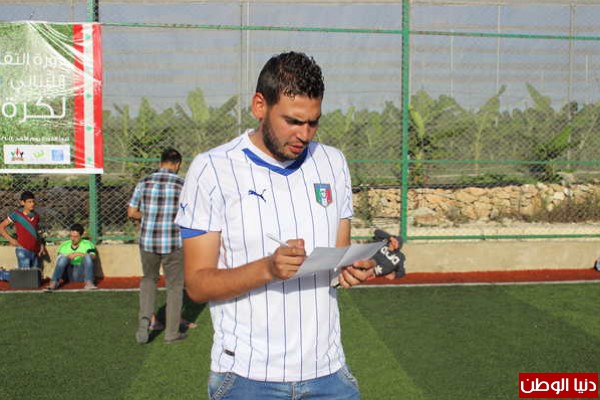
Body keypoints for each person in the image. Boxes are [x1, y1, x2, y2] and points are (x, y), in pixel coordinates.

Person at [175, 51, 382, 399]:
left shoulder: (332, 163)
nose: (304, 134)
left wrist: (350, 268)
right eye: (293, 121)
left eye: (313, 122)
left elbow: (337, 259)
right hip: (246, 378)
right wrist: (268, 269)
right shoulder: (211, 169)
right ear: (260, 106)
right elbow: (196, 285)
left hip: (329, 376)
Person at [128, 148, 187, 344]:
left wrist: (148, 217)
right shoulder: (183, 185)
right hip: (173, 242)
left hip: (148, 241)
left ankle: (145, 324)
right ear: (177, 164)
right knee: (175, 287)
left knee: (148, 280)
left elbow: (132, 212)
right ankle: (172, 333)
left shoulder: (144, 182)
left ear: (160, 162)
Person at [0, 190, 47, 269]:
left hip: (35, 250)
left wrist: (41, 245)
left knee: (35, 275)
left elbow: (37, 231)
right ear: (22, 203)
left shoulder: (36, 216)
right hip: (22, 249)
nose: (32, 204)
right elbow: (1, 227)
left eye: (33, 201)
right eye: (29, 202)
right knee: (25, 274)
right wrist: (12, 240)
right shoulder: (16, 214)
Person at [44, 223, 97, 291]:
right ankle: (54, 283)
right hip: (68, 273)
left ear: (81, 236)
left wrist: (78, 254)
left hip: (82, 272)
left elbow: (93, 256)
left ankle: (89, 283)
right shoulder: (64, 245)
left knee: (88, 256)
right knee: (63, 258)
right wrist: (68, 256)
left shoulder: (88, 244)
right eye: (71, 236)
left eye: (75, 237)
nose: (72, 239)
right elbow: (58, 261)